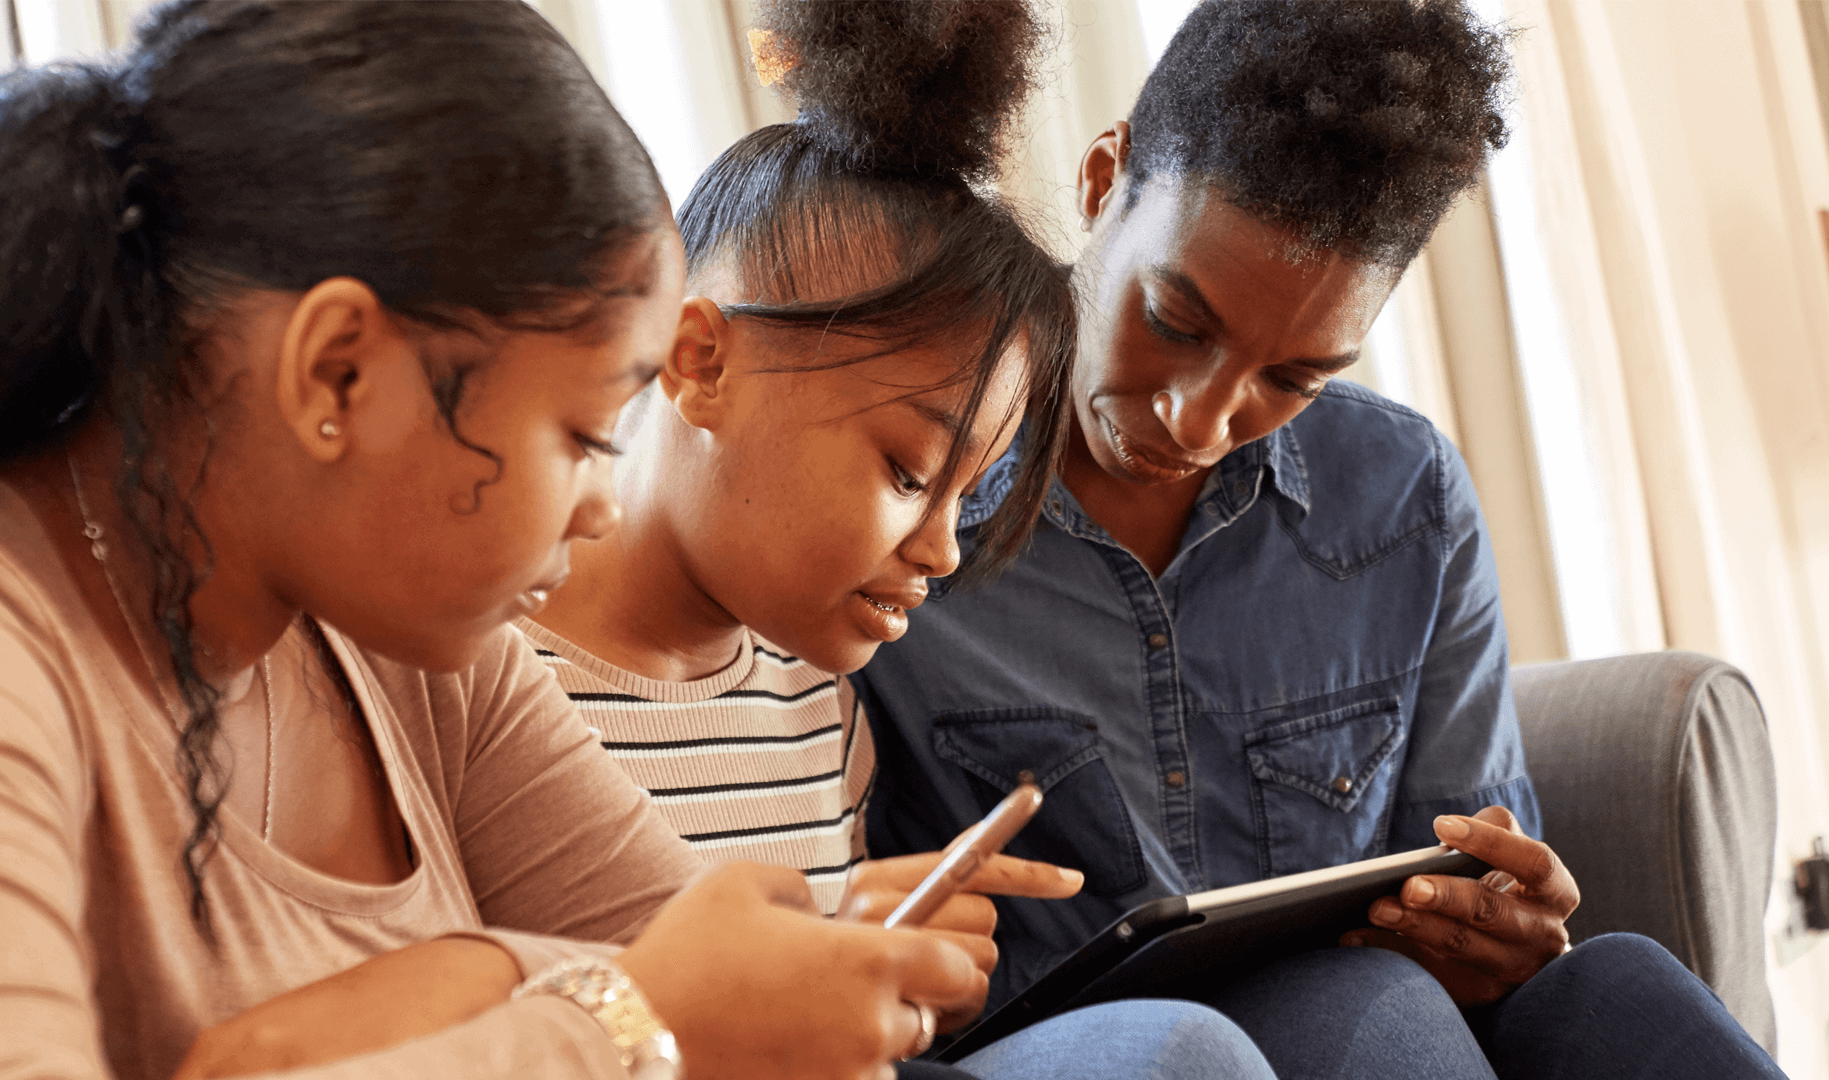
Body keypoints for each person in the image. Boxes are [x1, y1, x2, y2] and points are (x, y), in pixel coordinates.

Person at [0, 4, 992, 1079]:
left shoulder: (410, 643)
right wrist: (617, 1023)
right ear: (338, 372)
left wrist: (467, 986)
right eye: (583, 435)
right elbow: (663, 994)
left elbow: (704, 961)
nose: (602, 507)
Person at [854, 3, 1788, 1079]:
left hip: (1357, 1028)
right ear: (1104, 182)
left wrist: (1494, 935)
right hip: (1056, 1052)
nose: (1200, 422)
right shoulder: (906, 480)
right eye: (1176, 321)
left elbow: (1469, 880)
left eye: (1294, 378)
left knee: (1613, 986)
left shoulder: (1404, 498)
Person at [519, 5, 1281, 1078]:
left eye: (967, 496)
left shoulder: (811, 694)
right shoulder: (492, 677)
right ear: (700, 364)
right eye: (908, 472)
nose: (943, 552)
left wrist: (883, 965)